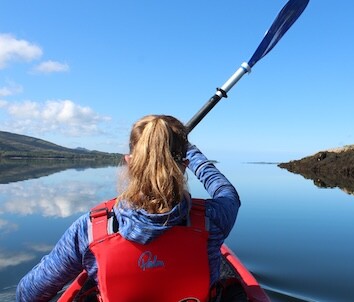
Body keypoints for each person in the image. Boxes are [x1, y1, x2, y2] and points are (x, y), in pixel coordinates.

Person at [16, 114, 241, 301]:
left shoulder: (90, 229)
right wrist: (191, 151)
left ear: (129, 161)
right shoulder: (214, 218)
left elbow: (29, 294)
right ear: (184, 166)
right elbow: (227, 193)